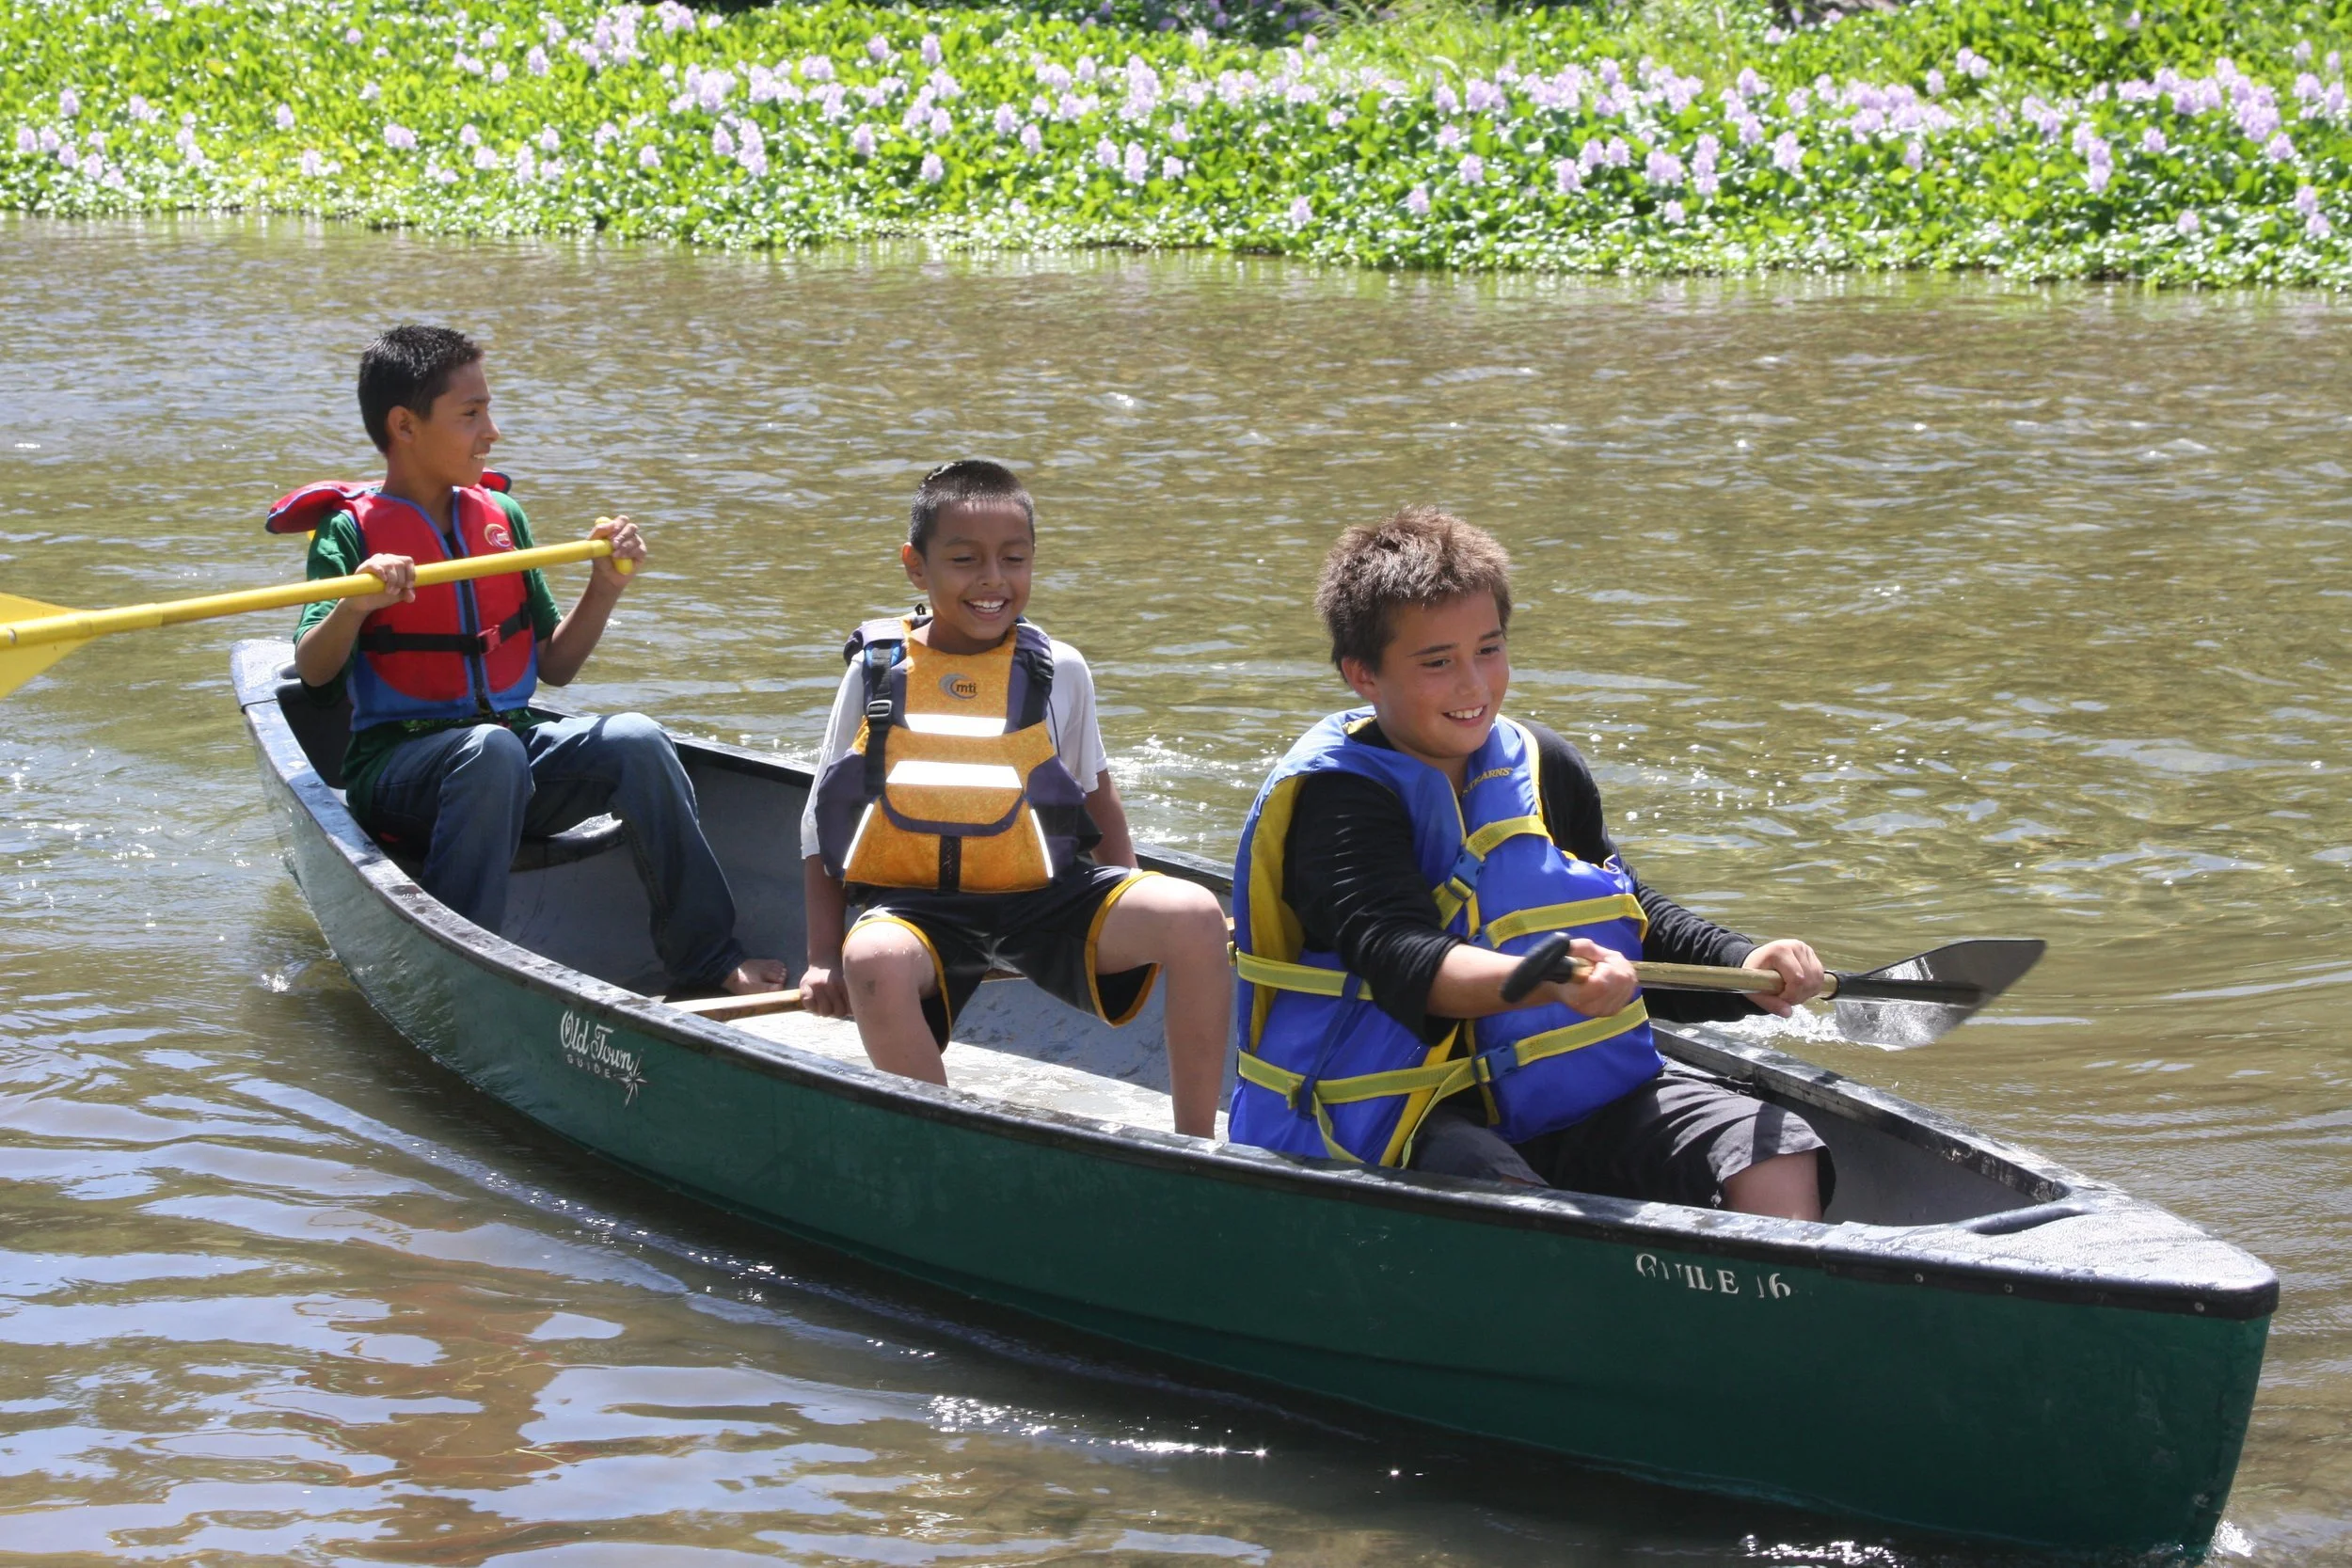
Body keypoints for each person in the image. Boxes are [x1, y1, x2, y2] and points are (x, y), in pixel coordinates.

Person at [1228, 507, 1833, 1219]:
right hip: (1401, 1112)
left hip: (1561, 1094)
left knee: (1776, 1149)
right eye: (1437, 662)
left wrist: (1744, 964)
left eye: (1488, 650)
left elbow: (1628, 910)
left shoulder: (1543, 765)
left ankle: (1759, 1287)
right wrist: (1546, 980)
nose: (1473, 686)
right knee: (1507, 1202)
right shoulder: (1337, 803)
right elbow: (1399, 956)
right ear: (1363, 674)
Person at [282, 325, 785, 997]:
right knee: (489, 752)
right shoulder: (347, 533)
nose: (491, 432)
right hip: (399, 773)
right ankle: (463, 972)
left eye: (487, 411)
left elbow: (557, 664)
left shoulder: (501, 516)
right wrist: (354, 604)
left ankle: (707, 956)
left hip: (510, 752)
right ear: (404, 425)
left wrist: (605, 586)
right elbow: (315, 674)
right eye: (471, 414)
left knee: (636, 739)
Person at [796, 460, 1230, 1136]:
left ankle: (1196, 1146)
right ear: (916, 567)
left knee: (1196, 914)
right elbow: (818, 823)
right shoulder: (875, 670)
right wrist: (823, 955)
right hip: (917, 910)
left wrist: (1130, 891)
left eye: (1014, 559)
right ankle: (943, 1142)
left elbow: (1097, 795)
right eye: (965, 559)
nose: (993, 579)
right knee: (870, 960)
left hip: (1046, 900)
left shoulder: (1061, 669)